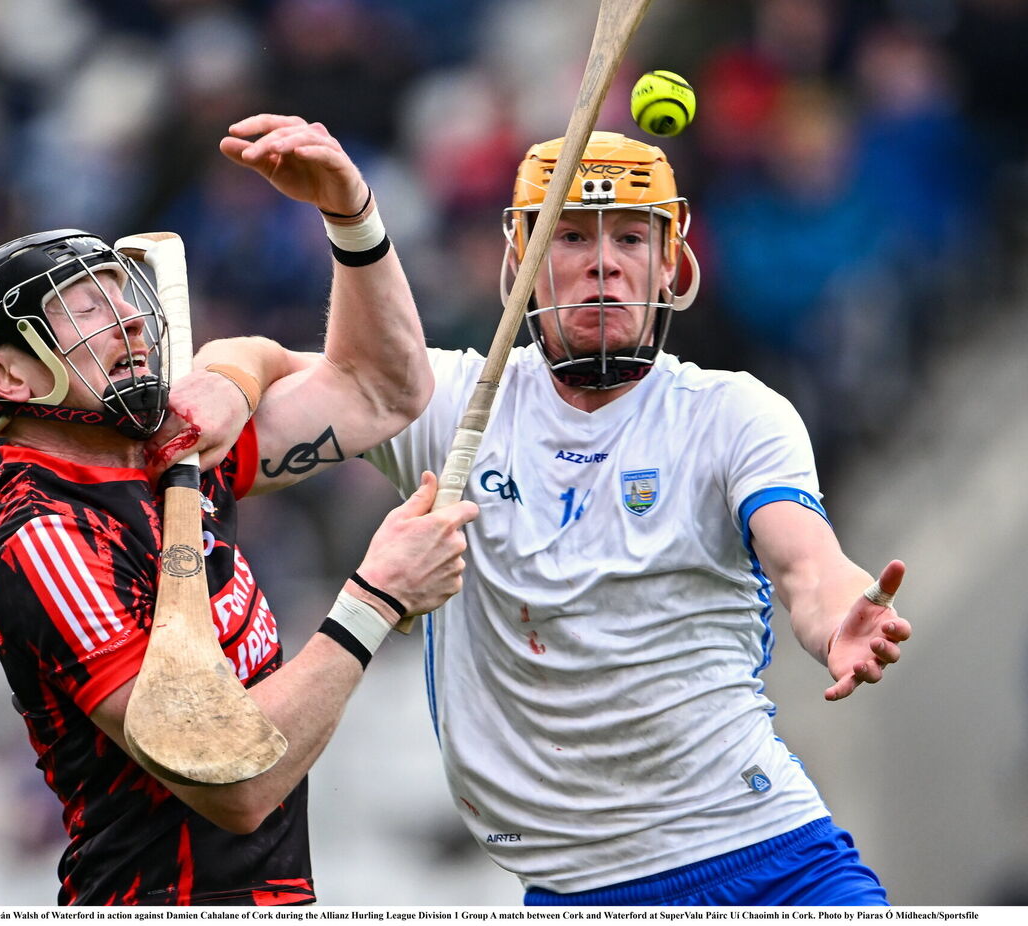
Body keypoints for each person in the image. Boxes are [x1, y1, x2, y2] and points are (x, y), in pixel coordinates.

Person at [0, 114, 477, 906]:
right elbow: (235, 785)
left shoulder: (164, 456)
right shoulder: (42, 535)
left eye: (122, 295)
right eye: (85, 309)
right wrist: (376, 603)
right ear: (10, 378)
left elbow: (383, 390)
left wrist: (350, 216)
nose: (127, 319)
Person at [361, 131, 913, 906]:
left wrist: (834, 616)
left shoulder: (734, 414)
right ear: (519, 264)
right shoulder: (453, 406)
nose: (603, 262)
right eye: (572, 237)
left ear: (670, 264)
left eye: (629, 237)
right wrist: (237, 374)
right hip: (578, 893)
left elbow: (807, 562)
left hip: (772, 861)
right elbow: (284, 383)